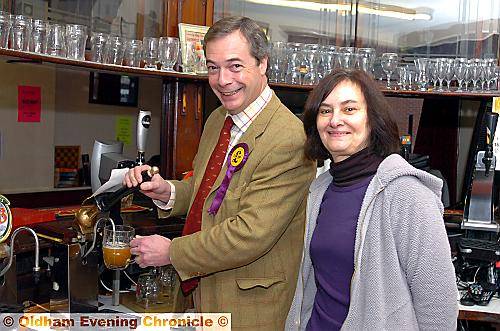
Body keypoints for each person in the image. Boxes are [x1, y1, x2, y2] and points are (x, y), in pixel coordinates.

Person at [124, 16, 315, 330]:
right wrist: (167, 192)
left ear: (262, 64)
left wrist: (173, 252)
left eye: (235, 66)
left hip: (246, 307)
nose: (223, 80)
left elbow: (250, 234)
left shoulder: (289, 139)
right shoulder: (218, 119)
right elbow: (209, 192)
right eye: (213, 67)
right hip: (198, 297)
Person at [285, 69, 458, 330]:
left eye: (349, 109)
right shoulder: (321, 189)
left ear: (372, 120)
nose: (335, 120)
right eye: (325, 111)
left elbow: (438, 305)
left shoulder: (406, 194)